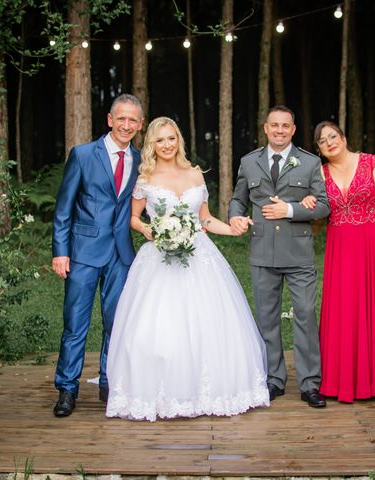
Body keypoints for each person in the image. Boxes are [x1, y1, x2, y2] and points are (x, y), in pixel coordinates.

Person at [105, 117, 269, 421]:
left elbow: (205, 220)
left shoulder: (195, 174)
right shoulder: (146, 178)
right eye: (160, 140)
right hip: (159, 258)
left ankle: (209, 390)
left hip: (199, 255)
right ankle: (162, 391)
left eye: (172, 139)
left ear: (179, 140)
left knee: (209, 324)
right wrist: (151, 231)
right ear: (151, 144)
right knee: (159, 326)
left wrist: (233, 229)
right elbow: (133, 217)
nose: (167, 145)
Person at [228, 105, 330, 408]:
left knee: (305, 317)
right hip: (263, 253)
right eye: (275, 125)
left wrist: (290, 210)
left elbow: (323, 206)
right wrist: (235, 217)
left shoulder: (310, 163)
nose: (280, 131)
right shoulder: (249, 162)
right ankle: (274, 379)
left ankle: (310, 383)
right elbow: (238, 198)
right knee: (267, 320)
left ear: (294, 129)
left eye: (286, 126)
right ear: (265, 128)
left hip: (299, 254)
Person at [303, 121, 375, 403]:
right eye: (322, 141)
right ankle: (344, 379)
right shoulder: (320, 175)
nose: (329, 143)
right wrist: (308, 208)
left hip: (373, 244)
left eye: (333, 136)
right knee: (344, 309)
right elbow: (317, 224)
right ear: (319, 150)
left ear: (344, 137)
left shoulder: (370, 162)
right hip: (340, 249)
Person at [51, 94, 144, 417]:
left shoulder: (141, 160)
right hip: (83, 253)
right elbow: (63, 209)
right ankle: (67, 388)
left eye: (133, 120)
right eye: (121, 118)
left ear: (140, 125)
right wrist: (60, 252)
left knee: (115, 323)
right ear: (109, 119)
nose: (126, 125)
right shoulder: (83, 155)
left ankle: (109, 383)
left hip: (121, 254)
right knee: (75, 324)